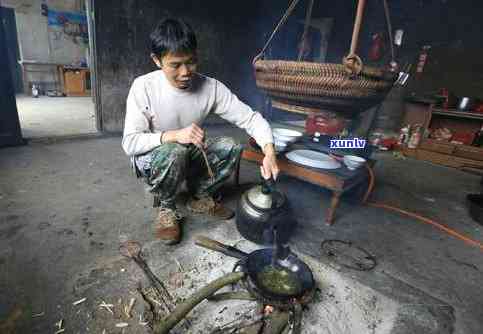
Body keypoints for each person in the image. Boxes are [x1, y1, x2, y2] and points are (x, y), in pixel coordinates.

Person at [122, 17, 279, 245]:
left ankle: (199, 196)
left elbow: (251, 119)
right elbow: (130, 143)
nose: (186, 72)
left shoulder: (211, 87)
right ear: (157, 60)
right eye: (175, 65)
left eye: (191, 61)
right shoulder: (143, 87)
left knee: (230, 147)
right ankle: (166, 208)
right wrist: (173, 135)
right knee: (174, 151)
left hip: (187, 151)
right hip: (154, 157)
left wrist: (269, 151)